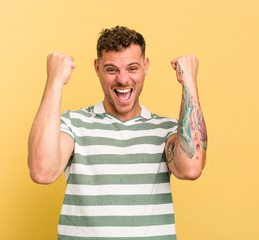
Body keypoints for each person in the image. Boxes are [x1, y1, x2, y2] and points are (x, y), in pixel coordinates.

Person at [28, 26, 207, 239]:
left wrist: (189, 82)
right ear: (97, 68)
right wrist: (54, 82)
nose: (123, 80)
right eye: (112, 70)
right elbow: (42, 171)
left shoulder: (166, 130)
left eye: (132, 68)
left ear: (145, 66)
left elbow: (191, 168)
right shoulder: (74, 124)